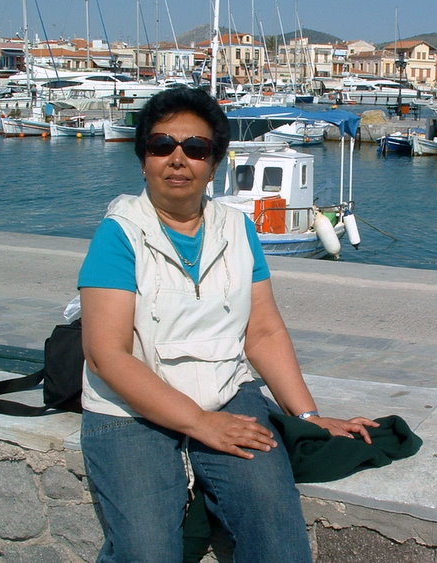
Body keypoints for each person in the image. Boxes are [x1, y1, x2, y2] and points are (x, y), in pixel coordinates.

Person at [78, 86, 379, 563]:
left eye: (196, 148)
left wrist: (306, 417)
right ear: (143, 159)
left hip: (226, 390)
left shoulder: (238, 229)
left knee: (278, 536)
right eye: (162, 145)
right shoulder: (119, 235)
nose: (178, 159)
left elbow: (263, 331)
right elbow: (106, 355)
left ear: (214, 164)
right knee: (147, 551)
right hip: (130, 408)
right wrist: (200, 423)